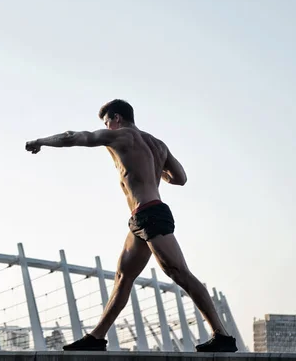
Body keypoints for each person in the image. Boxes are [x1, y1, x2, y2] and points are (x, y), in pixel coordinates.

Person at [25, 99, 237, 353]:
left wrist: (40, 142)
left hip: (151, 214)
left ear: (116, 118)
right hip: (141, 218)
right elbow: (180, 178)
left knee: (179, 272)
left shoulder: (121, 136)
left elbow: (75, 136)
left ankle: (221, 335)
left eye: (106, 124)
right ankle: (96, 338)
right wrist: (155, 171)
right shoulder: (157, 144)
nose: (107, 129)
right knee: (123, 278)